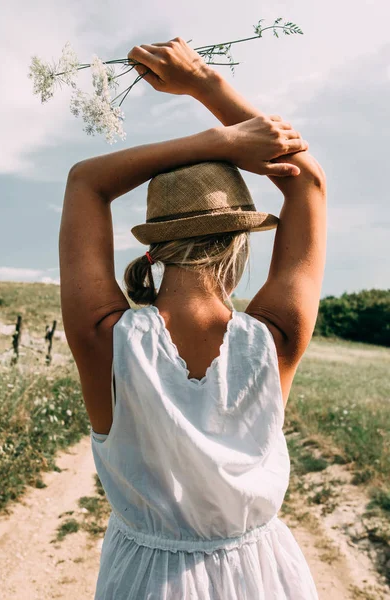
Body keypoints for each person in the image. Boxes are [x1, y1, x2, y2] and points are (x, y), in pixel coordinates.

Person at [59, 37, 326, 599]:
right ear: (240, 241)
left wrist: (217, 142)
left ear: (153, 249)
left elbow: (86, 181)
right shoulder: (275, 340)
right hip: (264, 580)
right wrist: (204, 83)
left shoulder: (105, 341)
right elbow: (310, 186)